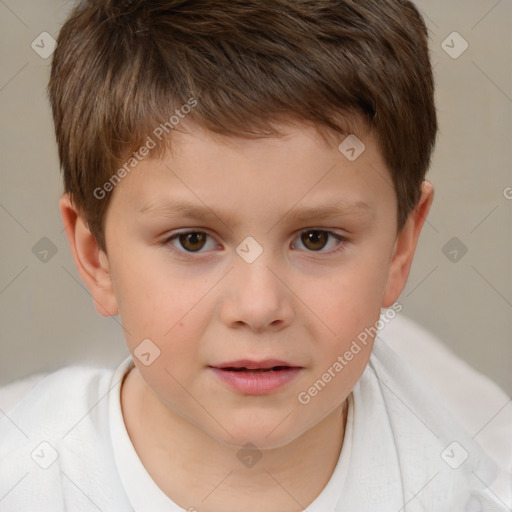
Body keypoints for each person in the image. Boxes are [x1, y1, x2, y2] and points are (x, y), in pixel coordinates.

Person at [0, 1, 510, 510]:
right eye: (192, 240)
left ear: (400, 247)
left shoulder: (459, 491)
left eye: (316, 239)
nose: (259, 306)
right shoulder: (25, 480)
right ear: (98, 258)